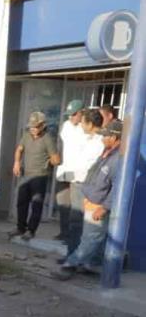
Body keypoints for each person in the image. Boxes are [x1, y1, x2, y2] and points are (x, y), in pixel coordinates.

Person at [53, 119, 124, 280]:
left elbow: (117, 188)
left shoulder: (118, 160)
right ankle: (88, 265)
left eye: (106, 136)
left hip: (99, 205)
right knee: (93, 237)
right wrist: (86, 196)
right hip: (91, 201)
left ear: (114, 137)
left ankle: (69, 265)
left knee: (91, 238)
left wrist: (104, 207)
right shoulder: (107, 153)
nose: (102, 138)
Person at [57, 109, 105, 261]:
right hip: (77, 183)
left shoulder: (101, 142)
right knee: (76, 223)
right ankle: (71, 256)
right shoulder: (85, 138)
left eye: (83, 122)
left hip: (89, 187)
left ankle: (83, 260)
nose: (81, 125)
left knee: (89, 225)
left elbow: (91, 167)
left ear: (90, 124)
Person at [9, 112, 61, 240]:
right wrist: (16, 163)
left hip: (40, 176)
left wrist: (50, 162)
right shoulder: (26, 136)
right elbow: (19, 149)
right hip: (25, 175)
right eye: (31, 126)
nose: (33, 129)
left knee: (36, 204)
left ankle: (31, 231)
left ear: (43, 125)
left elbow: (56, 159)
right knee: (21, 202)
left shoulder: (48, 139)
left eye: (36, 126)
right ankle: (20, 228)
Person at [54, 100, 85, 240]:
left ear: (81, 113)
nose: (71, 118)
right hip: (64, 170)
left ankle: (72, 237)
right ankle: (64, 232)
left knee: (76, 207)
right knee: (63, 203)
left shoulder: (85, 128)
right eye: (69, 115)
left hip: (78, 172)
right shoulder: (66, 126)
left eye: (73, 115)